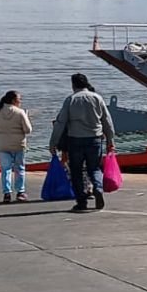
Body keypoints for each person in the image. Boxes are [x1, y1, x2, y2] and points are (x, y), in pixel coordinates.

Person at [50, 73, 116, 213]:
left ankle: (81, 202)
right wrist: (110, 139)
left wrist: (53, 142)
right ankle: (98, 189)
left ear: (73, 85)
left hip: (75, 140)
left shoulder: (70, 100)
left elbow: (61, 123)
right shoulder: (97, 98)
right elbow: (107, 121)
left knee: (76, 172)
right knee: (95, 168)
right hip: (95, 139)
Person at [0, 90, 32, 203]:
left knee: (6, 170)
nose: (20, 101)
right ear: (13, 100)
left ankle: (7, 193)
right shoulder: (20, 113)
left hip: (2, 145)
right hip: (18, 145)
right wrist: (26, 116)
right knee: (19, 168)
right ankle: (20, 192)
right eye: (19, 99)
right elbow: (28, 130)